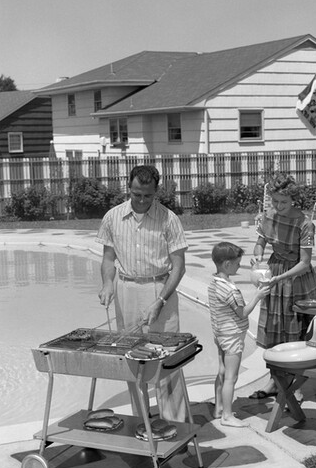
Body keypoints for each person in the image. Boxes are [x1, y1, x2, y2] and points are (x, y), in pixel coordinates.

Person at [97, 164, 188, 421]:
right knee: (131, 355)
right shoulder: (112, 217)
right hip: (125, 288)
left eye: (148, 195)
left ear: (156, 191)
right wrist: (107, 284)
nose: (141, 200)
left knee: (167, 357)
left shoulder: (169, 219)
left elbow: (179, 266)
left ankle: (175, 422)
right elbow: (107, 259)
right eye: (137, 194)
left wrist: (160, 300)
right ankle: (141, 421)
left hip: (160, 289)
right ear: (130, 187)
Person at [248, 173, 316, 399]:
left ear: (293, 200)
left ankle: (294, 385)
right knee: (275, 330)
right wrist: (257, 255)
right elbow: (260, 242)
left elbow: (305, 262)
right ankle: (274, 381)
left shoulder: (304, 224)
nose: (278, 206)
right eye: (275, 201)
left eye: (284, 202)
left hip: (296, 279)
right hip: (275, 274)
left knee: (295, 332)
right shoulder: (268, 216)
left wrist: (280, 279)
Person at [208, 242, 270, 427]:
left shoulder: (215, 283)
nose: (239, 266)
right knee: (231, 377)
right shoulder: (230, 290)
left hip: (220, 334)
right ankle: (227, 416)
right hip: (233, 337)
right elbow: (242, 313)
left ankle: (219, 407)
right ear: (227, 264)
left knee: (221, 372)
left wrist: (255, 270)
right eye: (237, 263)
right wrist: (258, 297)